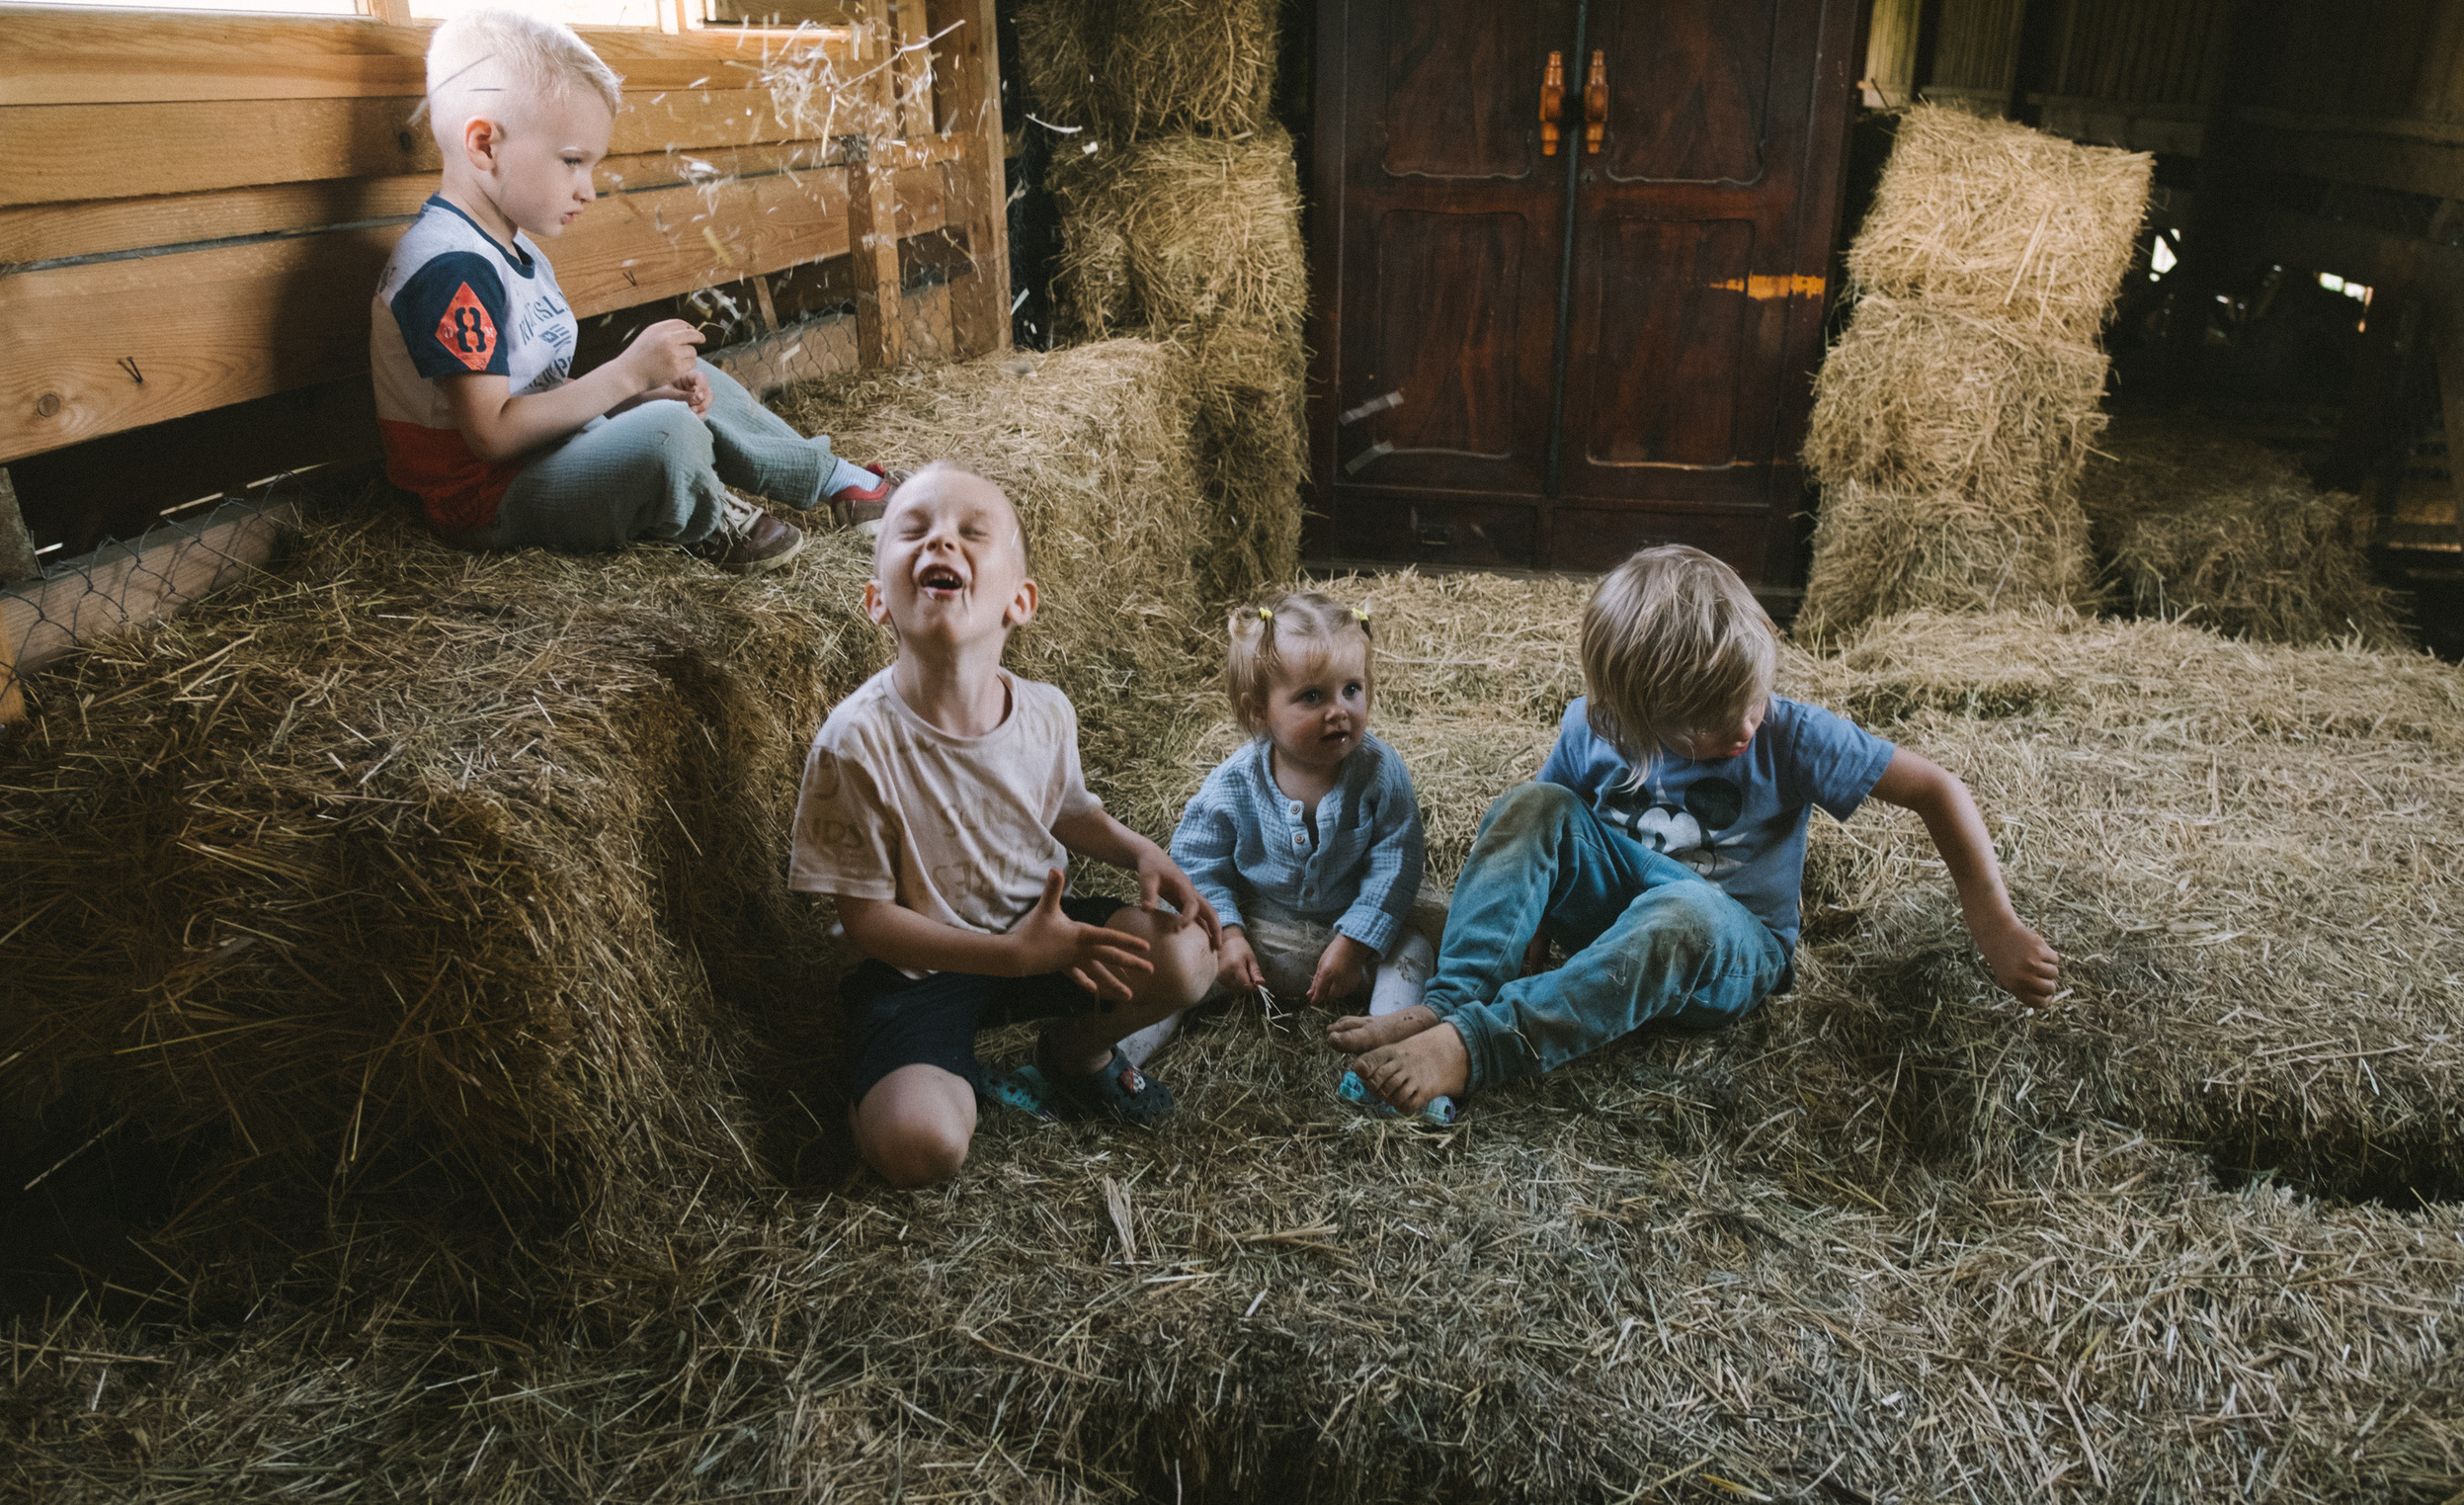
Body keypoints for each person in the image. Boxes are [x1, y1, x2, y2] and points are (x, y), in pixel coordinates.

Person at [1331, 544, 2060, 1112]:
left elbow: (1937, 789)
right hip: (1621, 918)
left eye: (1753, 699)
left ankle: (1478, 1045)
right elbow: (1545, 838)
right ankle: (1452, 1000)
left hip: (1729, 945)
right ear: (1636, 717)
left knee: (1682, 909)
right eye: (1711, 724)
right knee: (1532, 803)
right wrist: (1533, 932)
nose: (1745, 725)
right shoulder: (1595, 725)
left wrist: (1994, 922)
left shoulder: (1790, 733)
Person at [787, 464, 1224, 1188]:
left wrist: (1139, 850)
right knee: (921, 1148)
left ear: (1020, 601)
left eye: (971, 531)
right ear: (876, 600)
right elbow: (866, 921)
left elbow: (1067, 810)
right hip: (918, 973)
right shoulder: (854, 742)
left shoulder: (1045, 711)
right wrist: (1008, 957)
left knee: (1188, 959)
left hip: (1045, 936)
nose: (940, 541)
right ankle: (888, 1090)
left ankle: (1075, 1053)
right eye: (914, 529)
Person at [371, 5, 889, 572]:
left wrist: (637, 393)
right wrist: (624, 376)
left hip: (544, 452)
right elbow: (492, 434)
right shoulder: (450, 268)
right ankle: (706, 512)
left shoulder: (508, 247)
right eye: (572, 161)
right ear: (485, 146)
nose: (588, 189)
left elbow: (540, 386)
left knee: (681, 379)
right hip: (487, 497)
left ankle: (838, 480)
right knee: (668, 432)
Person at [1118, 594, 1437, 1070]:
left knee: (1414, 949)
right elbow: (1197, 863)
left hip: (1345, 945)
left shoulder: (1379, 770)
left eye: (1351, 689)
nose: (1339, 710)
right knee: (1175, 950)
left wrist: (1355, 944)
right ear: (1258, 711)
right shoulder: (1235, 781)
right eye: (1312, 697)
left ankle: (1385, 1056)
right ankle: (1118, 1055)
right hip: (1254, 940)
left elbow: (1397, 862)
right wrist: (1228, 935)